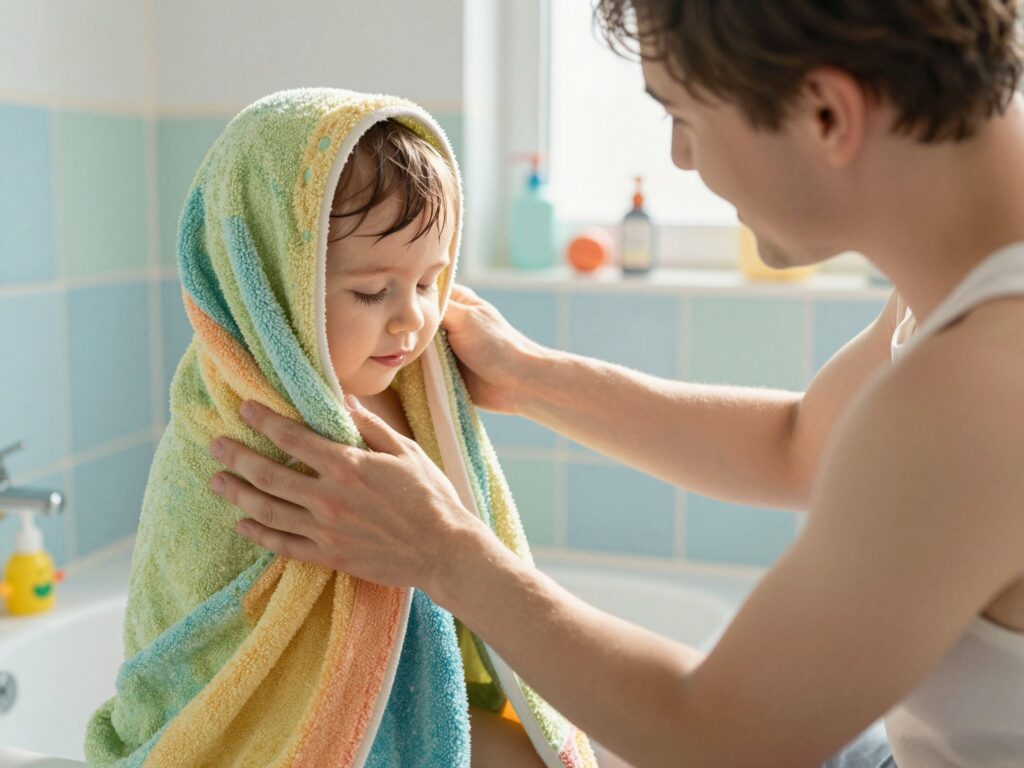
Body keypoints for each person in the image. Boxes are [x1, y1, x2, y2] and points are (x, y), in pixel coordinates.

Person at [208, 2, 1024, 766]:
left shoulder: (984, 383)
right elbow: (802, 446)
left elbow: (720, 738)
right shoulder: (961, 279)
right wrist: (527, 377)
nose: (681, 155)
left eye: (684, 116)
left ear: (825, 116)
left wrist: (445, 552)